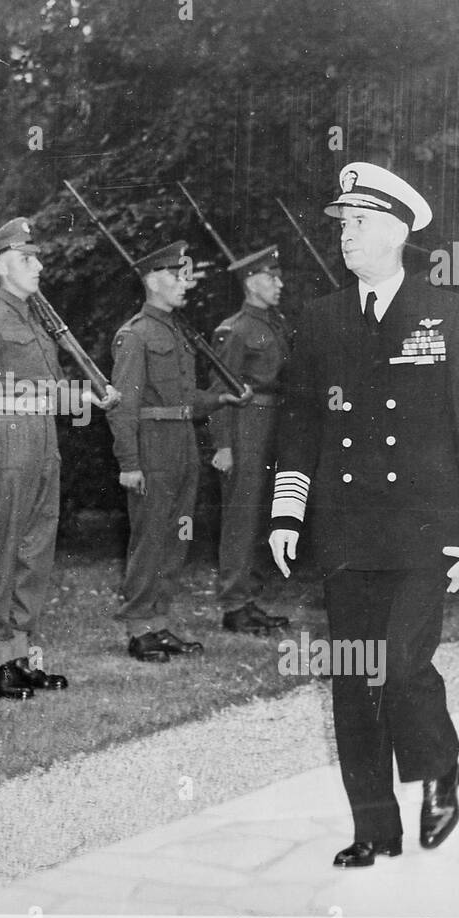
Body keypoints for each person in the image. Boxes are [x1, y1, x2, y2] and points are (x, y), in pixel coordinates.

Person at [270, 161, 459, 868]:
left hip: (423, 531)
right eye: (342, 224)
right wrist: (288, 513)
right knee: (355, 682)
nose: (346, 235)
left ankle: (440, 769)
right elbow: (301, 422)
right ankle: (374, 828)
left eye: (360, 223)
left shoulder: (449, 314)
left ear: (400, 232)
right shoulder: (321, 318)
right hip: (346, 528)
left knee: (402, 666)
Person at [0, 217, 118, 699]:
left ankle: (21, 651)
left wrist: (85, 399)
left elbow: (40, 390)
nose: (40, 265)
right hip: (5, 443)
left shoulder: (33, 316)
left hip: (41, 437)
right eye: (30, 259)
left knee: (35, 549)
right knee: (3, 548)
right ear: (4, 266)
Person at [107, 241, 252, 663]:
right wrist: (129, 463)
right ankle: (138, 628)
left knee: (177, 535)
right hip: (152, 445)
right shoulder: (135, 335)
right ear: (153, 280)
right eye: (175, 275)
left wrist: (219, 401)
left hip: (183, 442)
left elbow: (186, 395)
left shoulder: (175, 330)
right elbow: (123, 405)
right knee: (150, 537)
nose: (184, 282)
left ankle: (160, 622)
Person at [209, 245, 292, 634]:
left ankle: (250, 598)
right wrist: (223, 446)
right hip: (246, 426)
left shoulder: (275, 324)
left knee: (260, 515)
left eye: (278, 276)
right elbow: (219, 391)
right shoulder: (235, 329)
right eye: (271, 277)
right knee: (241, 516)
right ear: (250, 282)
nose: (280, 283)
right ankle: (233, 604)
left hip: (274, 422)